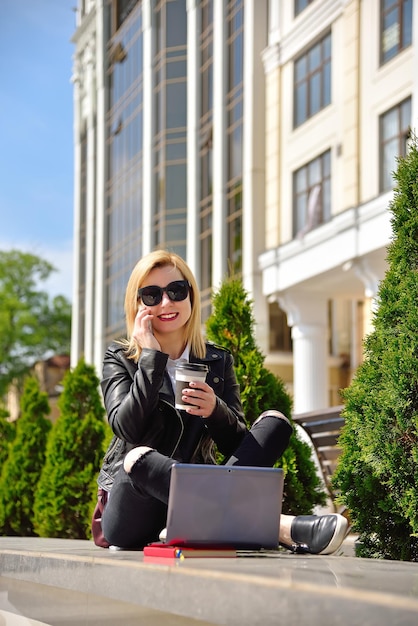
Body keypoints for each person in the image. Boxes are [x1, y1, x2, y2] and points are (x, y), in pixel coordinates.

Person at [93, 250, 348, 554]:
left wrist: (215, 411)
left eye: (176, 291)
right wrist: (151, 359)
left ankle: (198, 520)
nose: (166, 303)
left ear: (190, 296)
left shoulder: (217, 361)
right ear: (137, 306)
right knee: (138, 458)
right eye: (151, 295)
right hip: (135, 508)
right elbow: (127, 429)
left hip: (196, 498)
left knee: (275, 424)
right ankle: (279, 527)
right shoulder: (120, 359)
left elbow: (237, 447)